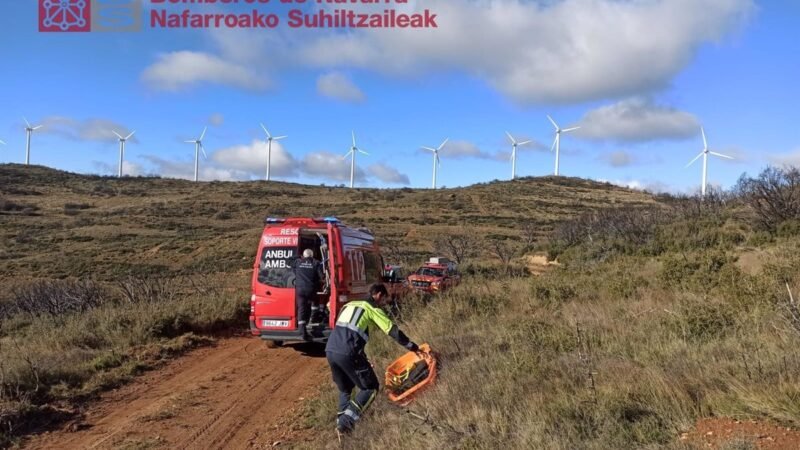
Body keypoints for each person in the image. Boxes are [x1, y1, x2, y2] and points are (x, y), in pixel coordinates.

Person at [325, 283, 419, 433]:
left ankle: (341, 425)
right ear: (379, 295)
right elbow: (392, 331)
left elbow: (348, 334)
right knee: (371, 387)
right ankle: (345, 423)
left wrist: (362, 357)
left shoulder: (350, 305)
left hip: (330, 350)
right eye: (383, 301)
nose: (382, 305)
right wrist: (412, 346)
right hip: (348, 352)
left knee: (345, 389)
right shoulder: (372, 309)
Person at [292, 248, 325, 338]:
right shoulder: (316, 263)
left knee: (301, 309)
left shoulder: (298, 262)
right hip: (311, 289)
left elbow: (290, 262)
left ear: (303, 255)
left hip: (300, 290)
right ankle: (313, 319)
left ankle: (303, 332)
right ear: (312, 255)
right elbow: (321, 276)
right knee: (315, 303)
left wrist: (298, 256)